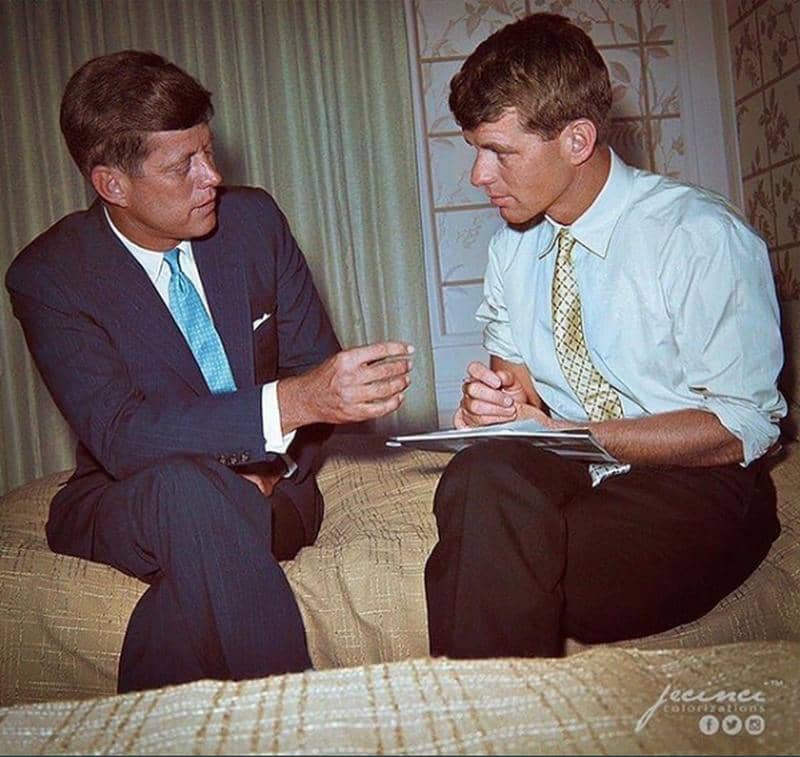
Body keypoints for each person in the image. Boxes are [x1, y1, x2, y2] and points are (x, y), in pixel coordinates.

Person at [5, 50, 414, 693]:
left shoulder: (253, 224)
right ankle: (297, 709)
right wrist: (289, 404)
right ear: (112, 184)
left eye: (209, 150)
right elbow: (121, 433)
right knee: (184, 490)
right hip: (126, 499)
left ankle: (151, 728)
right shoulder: (50, 276)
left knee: (193, 563)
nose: (214, 176)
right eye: (183, 166)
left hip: (276, 495)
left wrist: (275, 464)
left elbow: (314, 366)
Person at [424, 13, 786, 660]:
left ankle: (479, 709)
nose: (479, 175)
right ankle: (481, 709)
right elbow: (519, 388)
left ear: (577, 139)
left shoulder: (699, 237)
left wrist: (575, 437)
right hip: (578, 465)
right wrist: (499, 406)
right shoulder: (515, 248)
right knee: (480, 472)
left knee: (512, 567)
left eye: (499, 151)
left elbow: (742, 427)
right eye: (476, 150)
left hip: (699, 480)